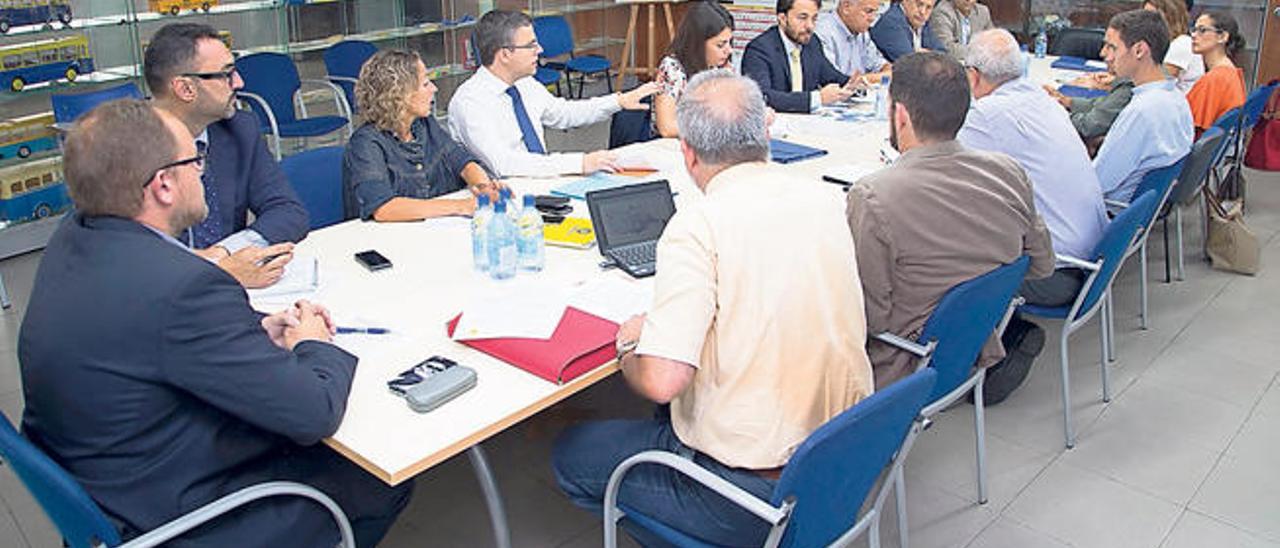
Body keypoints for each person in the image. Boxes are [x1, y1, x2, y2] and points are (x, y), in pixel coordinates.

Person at [18, 99, 412, 548]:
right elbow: (315, 411)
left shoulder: (74, 241)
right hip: (176, 515)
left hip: (108, 479)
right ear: (163, 185)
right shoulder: (183, 285)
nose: (203, 172)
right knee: (378, 481)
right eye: (195, 160)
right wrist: (313, 344)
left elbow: (146, 340)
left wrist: (252, 332)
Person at [553, 70, 873, 547]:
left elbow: (662, 383)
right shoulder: (826, 198)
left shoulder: (698, 225)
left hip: (749, 489)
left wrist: (628, 347)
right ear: (765, 129)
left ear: (687, 152)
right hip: (840, 452)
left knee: (571, 455)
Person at [846, 52, 1054, 388]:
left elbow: (869, 319)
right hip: (968, 348)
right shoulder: (1009, 172)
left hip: (900, 368)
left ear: (899, 114)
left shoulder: (873, 196)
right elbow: (1042, 264)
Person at [957, 29, 1109, 402]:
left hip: (1058, 271)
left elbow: (933, 169)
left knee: (943, 255)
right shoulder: (1042, 101)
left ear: (973, 76)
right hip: (1092, 257)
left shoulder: (987, 115)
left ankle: (983, 357)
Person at [145, 22, 309, 289]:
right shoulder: (126, 147)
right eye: (227, 74)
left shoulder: (240, 129)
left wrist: (224, 254)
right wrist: (213, 269)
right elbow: (124, 249)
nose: (240, 83)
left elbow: (288, 212)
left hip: (238, 294)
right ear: (186, 89)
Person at [448, 10, 657, 177]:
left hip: (541, 179)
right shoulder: (470, 102)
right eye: (531, 45)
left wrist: (619, 101)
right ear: (505, 54)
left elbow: (563, 113)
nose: (539, 50)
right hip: (501, 195)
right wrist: (580, 163)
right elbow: (503, 164)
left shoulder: (524, 84)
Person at [344, 49, 504, 222]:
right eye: (426, 84)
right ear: (400, 94)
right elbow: (383, 208)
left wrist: (483, 186)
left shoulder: (424, 125)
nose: (434, 89)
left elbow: (463, 162)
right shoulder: (365, 143)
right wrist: (461, 206)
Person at [1093, 9, 1194, 202]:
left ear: (1139, 50)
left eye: (1112, 47)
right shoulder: (1176, 98)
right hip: (1141, 211)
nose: (1104, 54)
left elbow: (1097, 182)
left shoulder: (1142, 111)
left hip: (1108, 212)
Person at [740, 0, 858, 113]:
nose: (810, 26)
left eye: (814, 19)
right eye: (802, 18)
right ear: (782, 18)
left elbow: (831, 76)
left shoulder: (812, 43)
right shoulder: (759, 49)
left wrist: (855, 85)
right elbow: (762, 97)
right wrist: (817, 98)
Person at [653, 1, 735, 137]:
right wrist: (714, 127)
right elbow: (667, 128)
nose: (729, 50)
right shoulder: (672, 68)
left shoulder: (721, 67)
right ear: (698, 44)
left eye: (730, 42)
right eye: (720, 45)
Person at [1186, 11, 1246, 135]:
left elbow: (1191, 129)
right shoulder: (1231, 72)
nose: (1193, 35)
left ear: (1222, 37)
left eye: (1202, 30)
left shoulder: (1214, 79)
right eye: (1194, 29)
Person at [1044, 71, 1136, 148]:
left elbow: (1088, 126)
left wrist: (1055, 113)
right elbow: (1103, 105)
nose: (1103, 53)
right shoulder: (1134, 83)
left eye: (1113, 48)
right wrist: (1067, 102)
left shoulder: (1129, 88)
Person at [814, 0, 892, 80]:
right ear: (846, 7)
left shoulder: (862, 32)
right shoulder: (823, 33)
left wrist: (868, 78)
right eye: (868, 11)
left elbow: (884, 66)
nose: (873, 18)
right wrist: (874, 78)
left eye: (876, 12)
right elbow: (834, 80)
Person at [1145, 0, 1203, 94]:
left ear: (1170, 17)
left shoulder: (1182, 43)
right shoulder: (1163, 45)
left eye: (1152, 16)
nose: (1145, 22)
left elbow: (1156, 83)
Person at [870, 0, 945, 63]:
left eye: (928, 7)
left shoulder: (922, 23)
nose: (922, 11)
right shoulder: (890, 23)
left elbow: (944, 55)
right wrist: (931, 55)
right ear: (905, 1)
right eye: (919, 4)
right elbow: (911, 63)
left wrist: (922, 54)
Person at [929, 0, 993, 59]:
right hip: (951, 64)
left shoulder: (983, 12)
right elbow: (947, 48)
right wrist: (980, 53)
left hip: (976, 64)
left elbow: (993, 43)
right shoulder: (942, 11)